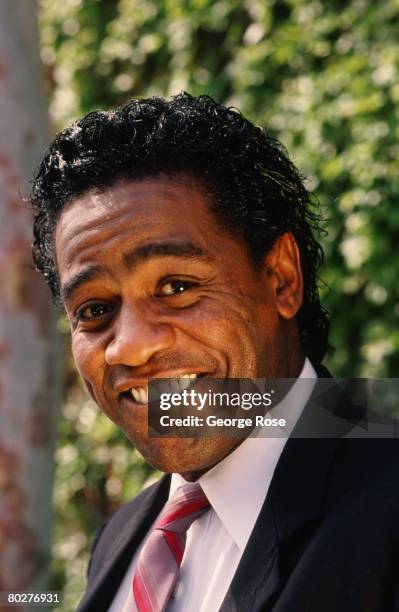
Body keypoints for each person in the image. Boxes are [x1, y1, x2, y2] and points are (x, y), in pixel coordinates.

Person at [31, 93, 399, 612]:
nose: (130, 346)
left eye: (177, 286)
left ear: (281, 278)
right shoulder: (119, 539)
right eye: (93, 310)